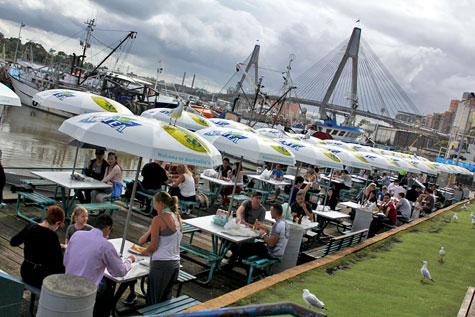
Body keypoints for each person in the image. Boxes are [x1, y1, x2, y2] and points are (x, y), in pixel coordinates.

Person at [64, 214, 135, 317]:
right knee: (108, 285)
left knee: (104, 281)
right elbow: (119, 272)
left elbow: (66, 260)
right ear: (107, 228)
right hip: (85, 289)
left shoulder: (77, 235)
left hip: (68, 280)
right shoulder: (105, 245)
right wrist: (129, 260)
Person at [139, 192, 183, 305]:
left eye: (154, 204)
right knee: (165, 301)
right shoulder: (177, 216)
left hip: (161, 264)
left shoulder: (158, 219)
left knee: (153, 301)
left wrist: (142, 253)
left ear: (161, 203)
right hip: (175, 264)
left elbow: (153, 246)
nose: (154, 207)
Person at [10, 206, 66, 288]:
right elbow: (59, 263)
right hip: (39, 277)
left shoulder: (30, 226)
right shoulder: (51, 235)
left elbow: (13, 242)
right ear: (57, 223)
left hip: (26, 271)